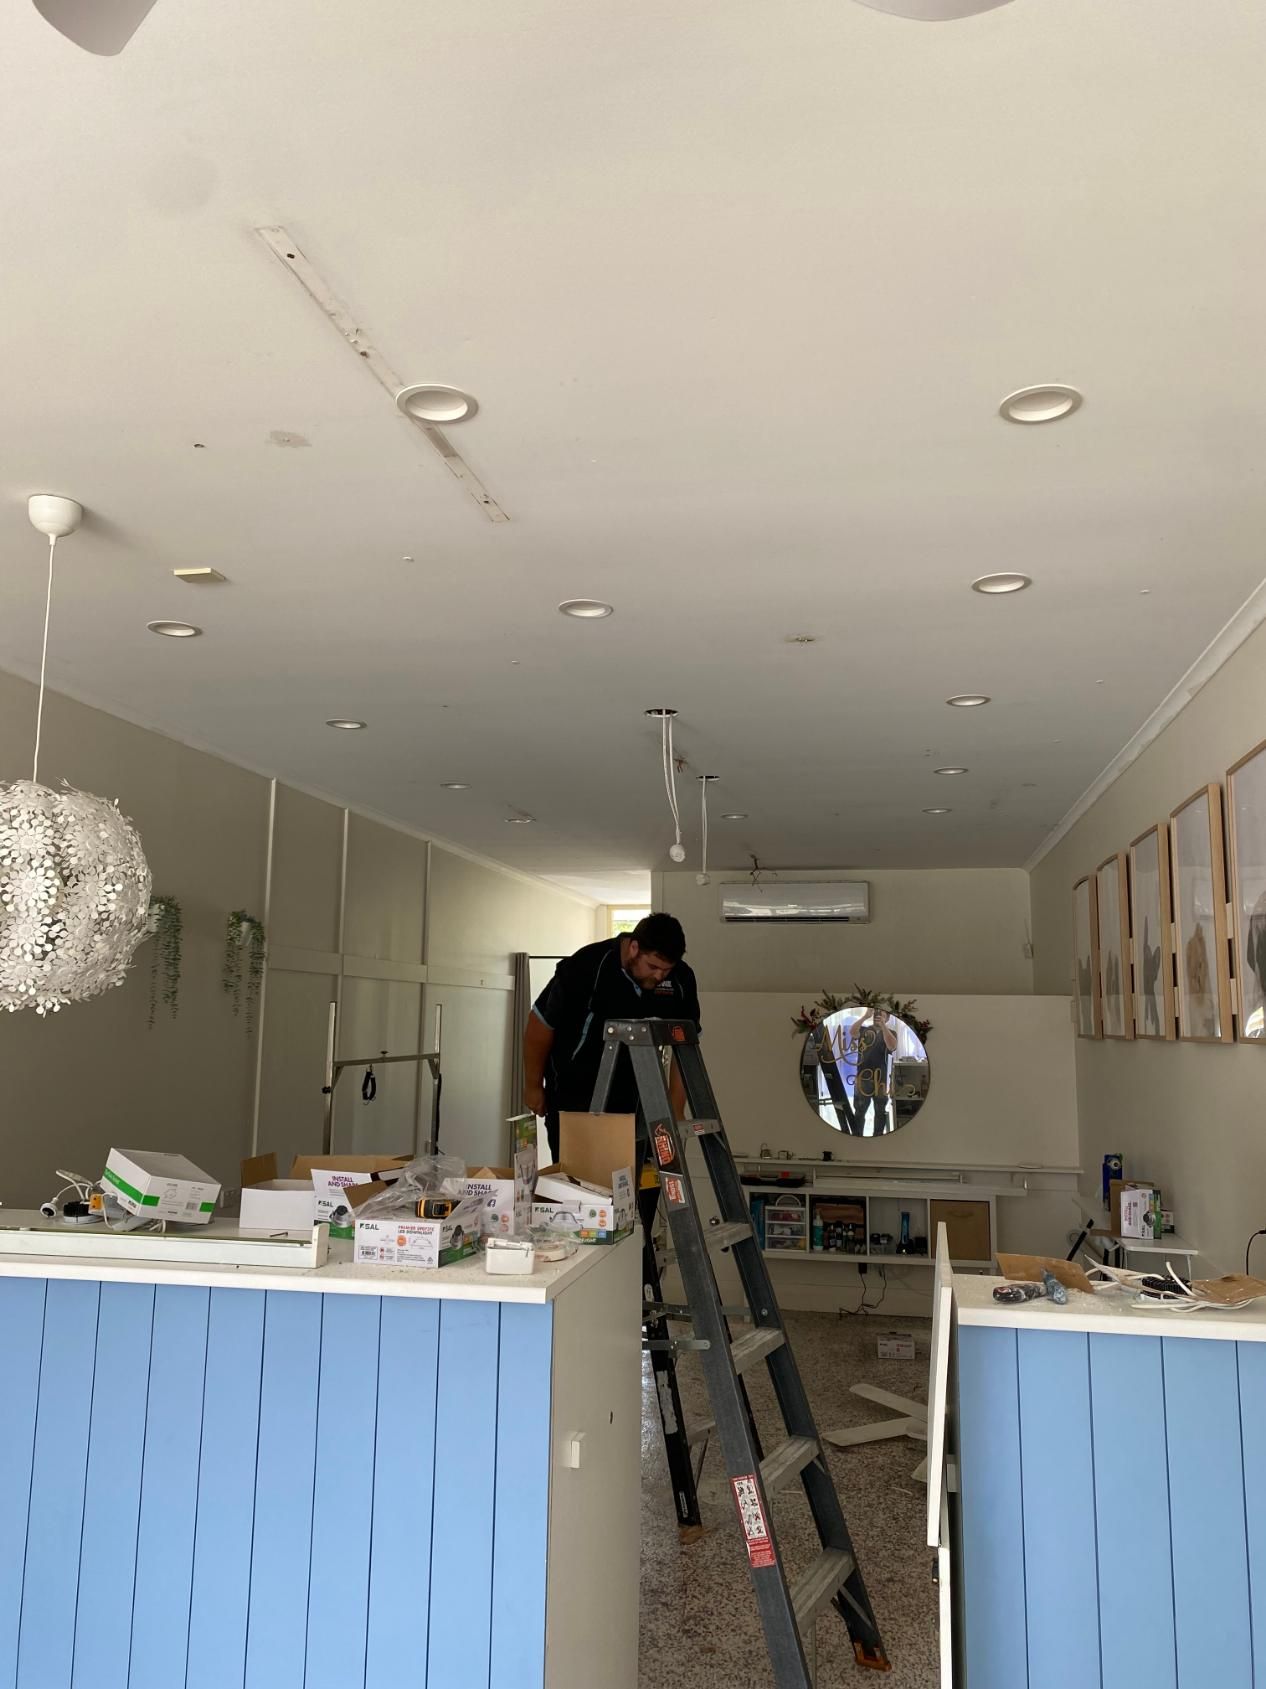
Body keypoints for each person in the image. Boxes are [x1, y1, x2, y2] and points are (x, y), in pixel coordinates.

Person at [524, 913, 699, 1159]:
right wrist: (533, 1086)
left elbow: (685, 1045)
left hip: (641, 1100)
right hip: (575, 1097)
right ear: (634, 948)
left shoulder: (681, 978)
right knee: (578, 1184)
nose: (659, 976)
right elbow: (540, 1024)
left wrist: (676, 1107)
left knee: (638, 1189)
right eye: (653, 966)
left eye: (666, 970)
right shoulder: (587, 965)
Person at [850, 1008, 896, 1137]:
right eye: (877, 1014)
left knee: (880, 1111)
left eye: (882, 1015)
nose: (878, 1017)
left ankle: (878, 1138)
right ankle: (857, 1138)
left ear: (887, 1018)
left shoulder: (891, 1032)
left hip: (881, 1079)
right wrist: (865, 1016)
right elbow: (852, 1032)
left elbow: (892, 1046)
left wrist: (883, 1027)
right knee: (859, 1111)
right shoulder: (864, 1030)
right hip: (862, 1078)